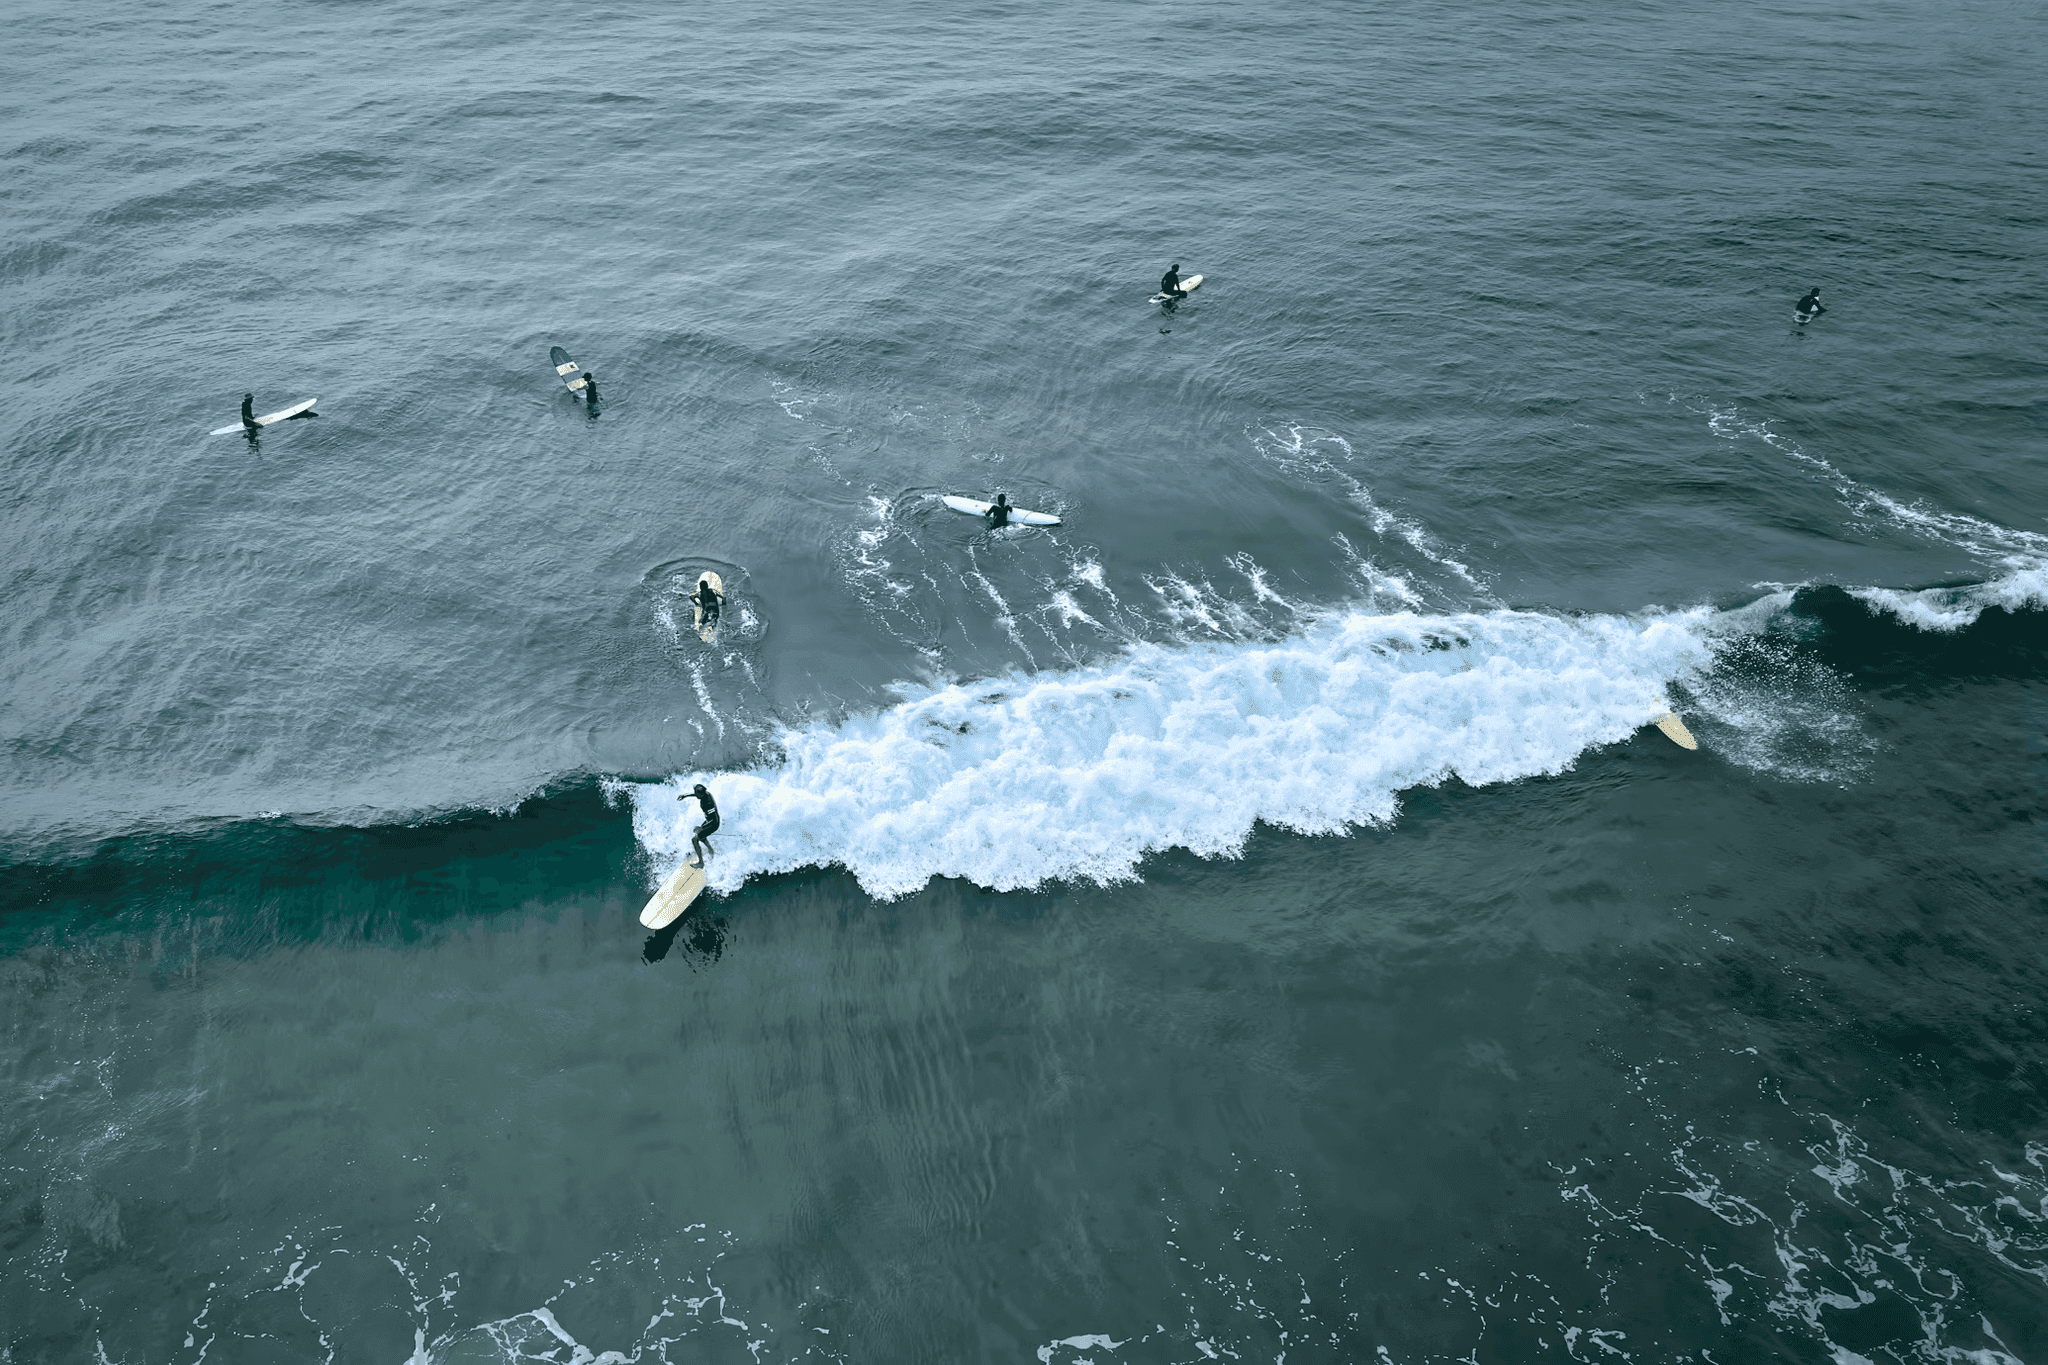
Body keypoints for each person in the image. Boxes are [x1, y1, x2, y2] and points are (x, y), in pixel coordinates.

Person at [680, 782, 719, 865]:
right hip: (709, 821)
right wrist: (685, 795)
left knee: (694, 839)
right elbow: (697, 794)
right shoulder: (704, 794)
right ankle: (710, 850)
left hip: (713, 824)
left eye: (697, 794)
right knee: (697, 832)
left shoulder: (708, 803)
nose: (696, 796)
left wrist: (702, 827)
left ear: (701, 794)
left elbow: (714, 819)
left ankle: (700, 863)